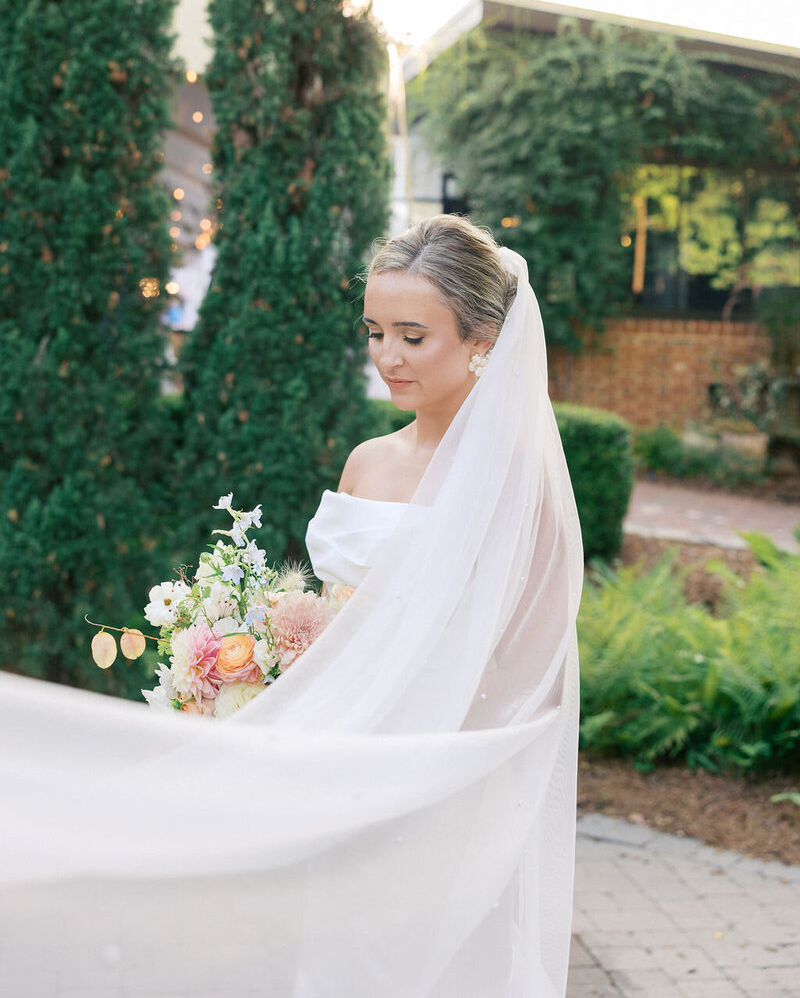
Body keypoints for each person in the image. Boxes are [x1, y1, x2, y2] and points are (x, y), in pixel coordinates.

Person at [0, 215, 582, 998]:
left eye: (414, 336)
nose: (386, 357)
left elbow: (531, 671)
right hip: (330, 770)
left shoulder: (520, 485)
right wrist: (263, 664)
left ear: (484, 340)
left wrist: (408, 740)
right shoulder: (368, 462)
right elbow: (334, 617)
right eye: (375, 331)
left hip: (433, 790)